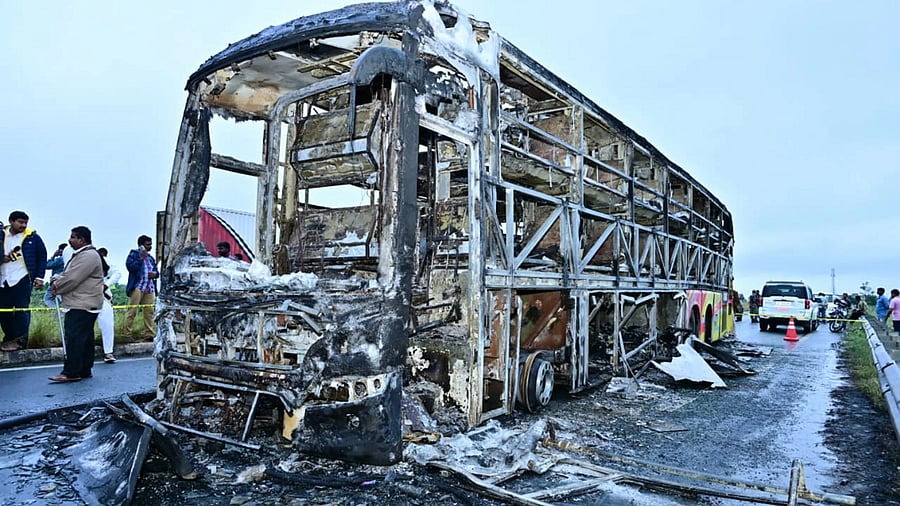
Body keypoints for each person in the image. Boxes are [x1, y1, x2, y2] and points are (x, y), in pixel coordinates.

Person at [48, 226, 104, 382]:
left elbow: (72, 278)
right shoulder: (86, 254)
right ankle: (84, 369)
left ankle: (71, 372)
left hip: (82, 302)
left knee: (74, 337)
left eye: (73, 237)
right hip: (87, 302)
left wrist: (56, 285)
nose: (70, 240)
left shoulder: (88, 256)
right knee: (85, 338)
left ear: (82, 239)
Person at [0, 211, 48, 351]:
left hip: (22, 278)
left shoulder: (32, 237)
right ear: (11, 221)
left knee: (22, 310)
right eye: (20, 222)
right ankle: (9, 339)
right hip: (3, 278)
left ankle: (20, 341)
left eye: (25, 222)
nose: (23, 225)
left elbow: (42, 256)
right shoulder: (2, 235)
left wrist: (39, 277)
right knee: (4, 312)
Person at [125, 235, 158, 339]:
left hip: (149, 287)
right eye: (148, 244)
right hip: (138, 286)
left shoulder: (151, 258)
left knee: (149, 312)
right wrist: (140, 259)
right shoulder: (133, 254)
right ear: (142, 245)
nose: (150, 247)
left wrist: (155, 274)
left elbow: (157, 272)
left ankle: (149, 333)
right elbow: (131, 267)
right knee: (132, 311)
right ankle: (127, 334)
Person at [97, 247, 120, 363]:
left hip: (103, 296)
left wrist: (106, 285)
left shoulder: (103, 260)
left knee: (107, 325)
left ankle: (108, 352)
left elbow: (117, 273)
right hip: (84, 297)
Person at [43, 243, 69, 307]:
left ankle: (58, 312)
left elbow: (47, 265)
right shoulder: (70, 259)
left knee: (48, 298)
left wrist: (53, 256)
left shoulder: (60, 259)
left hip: (56, 281)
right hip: (67, 281)